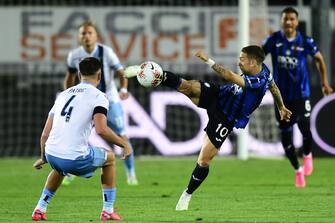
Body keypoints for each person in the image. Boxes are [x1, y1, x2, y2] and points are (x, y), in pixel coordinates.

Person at [125, 45, 292, 211]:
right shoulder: (266, 71)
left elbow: (228, 75)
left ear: (253, 62)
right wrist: (281, 107)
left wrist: (208, 60)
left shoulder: (256, 81)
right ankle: (156, 75)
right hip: (220, 95)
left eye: (242, 59)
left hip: (225, 118)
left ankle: (187, 194)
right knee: (189, 87)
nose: (239, 62)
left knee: (204, 161)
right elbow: (274, 88)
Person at [31, 57, 132, 221]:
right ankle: (108, 210)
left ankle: (40, 208)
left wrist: (43, 157)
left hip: (51, 153)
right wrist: (124, 144)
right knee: (110, 159)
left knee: (59, 168)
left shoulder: (63, 95)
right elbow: (102, 130)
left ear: (79, 74)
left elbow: (44, 134)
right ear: (99, 76)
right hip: (73, 158)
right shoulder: (99, 96)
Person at [262, 7, 333, 188]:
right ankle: (297, 170)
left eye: (292, 19)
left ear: (297, 21)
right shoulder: (274, 40)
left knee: (305, 129)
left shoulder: (305, 41)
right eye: (285, 18)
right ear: (281, 21)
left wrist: (325, 83)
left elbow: (319, 59)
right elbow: (259, 56)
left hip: (301, 94)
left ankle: (308, 155)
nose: (288, 22)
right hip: (281, 97)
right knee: (286, 138)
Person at [63, 20, 138, 186]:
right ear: (79, 37)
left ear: (96, 36)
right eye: (83, 33)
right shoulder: (73, 55)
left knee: (122, 134)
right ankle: (67, 172)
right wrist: (68, 96)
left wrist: (123, 89)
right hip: (84, 100)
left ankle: (131, 174)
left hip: (109, 99)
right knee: (72, 133)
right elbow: (69, 77)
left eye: (90, 33)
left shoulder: (107, 52)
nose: (87, 36)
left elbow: (121, 72)